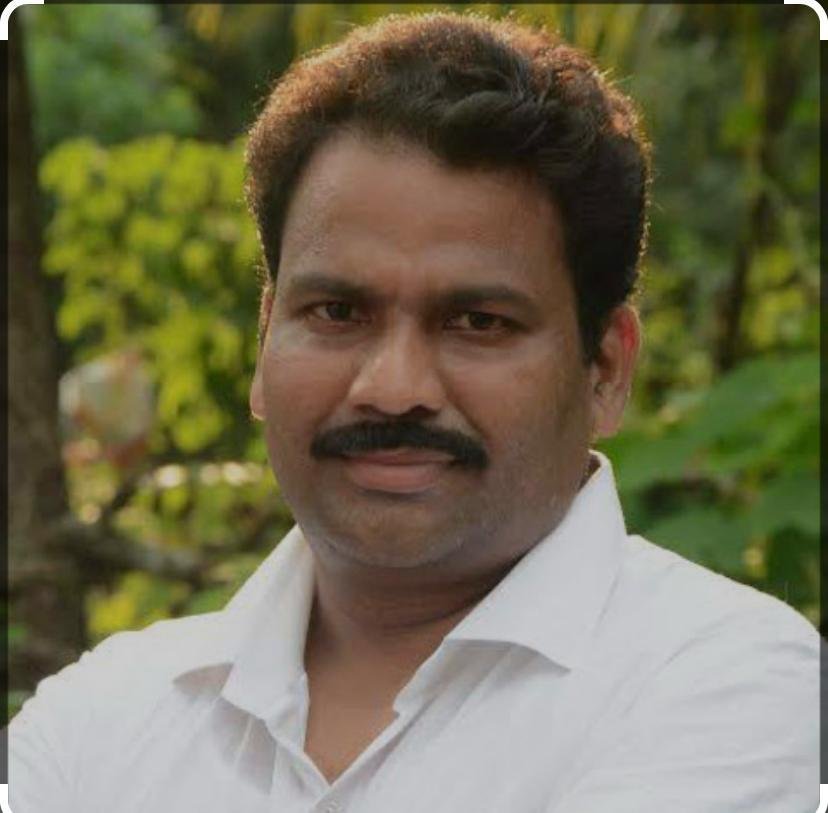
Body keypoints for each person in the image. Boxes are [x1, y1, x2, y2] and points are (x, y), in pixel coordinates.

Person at [9, 12, 819, 813]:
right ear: (264, 341)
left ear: (605, 369)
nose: (393, 388)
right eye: (337, 312)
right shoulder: (97, 724)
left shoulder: (731, 684)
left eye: (478, 322)